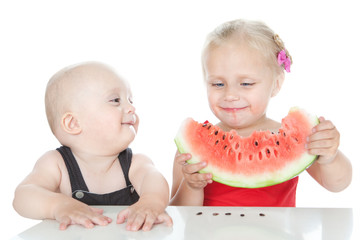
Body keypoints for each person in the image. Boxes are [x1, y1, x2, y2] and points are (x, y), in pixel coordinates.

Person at [170, 19, 352, 207]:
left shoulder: (298, 140)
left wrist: (330, 156)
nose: (230, 95)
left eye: (246, 84)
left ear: (276, 84)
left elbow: (338, 185)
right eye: (217, 84)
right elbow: (177, 212)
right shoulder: (189, 151)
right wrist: (191, 186)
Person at [13, 62, 173, 231]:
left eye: (130, 100)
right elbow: (23, 196)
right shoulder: (56, 164)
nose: (132, 108)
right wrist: (59, 205)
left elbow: (154, 180)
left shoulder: (136, 163)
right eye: (115, 100)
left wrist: (151, 202)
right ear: (73, 123)